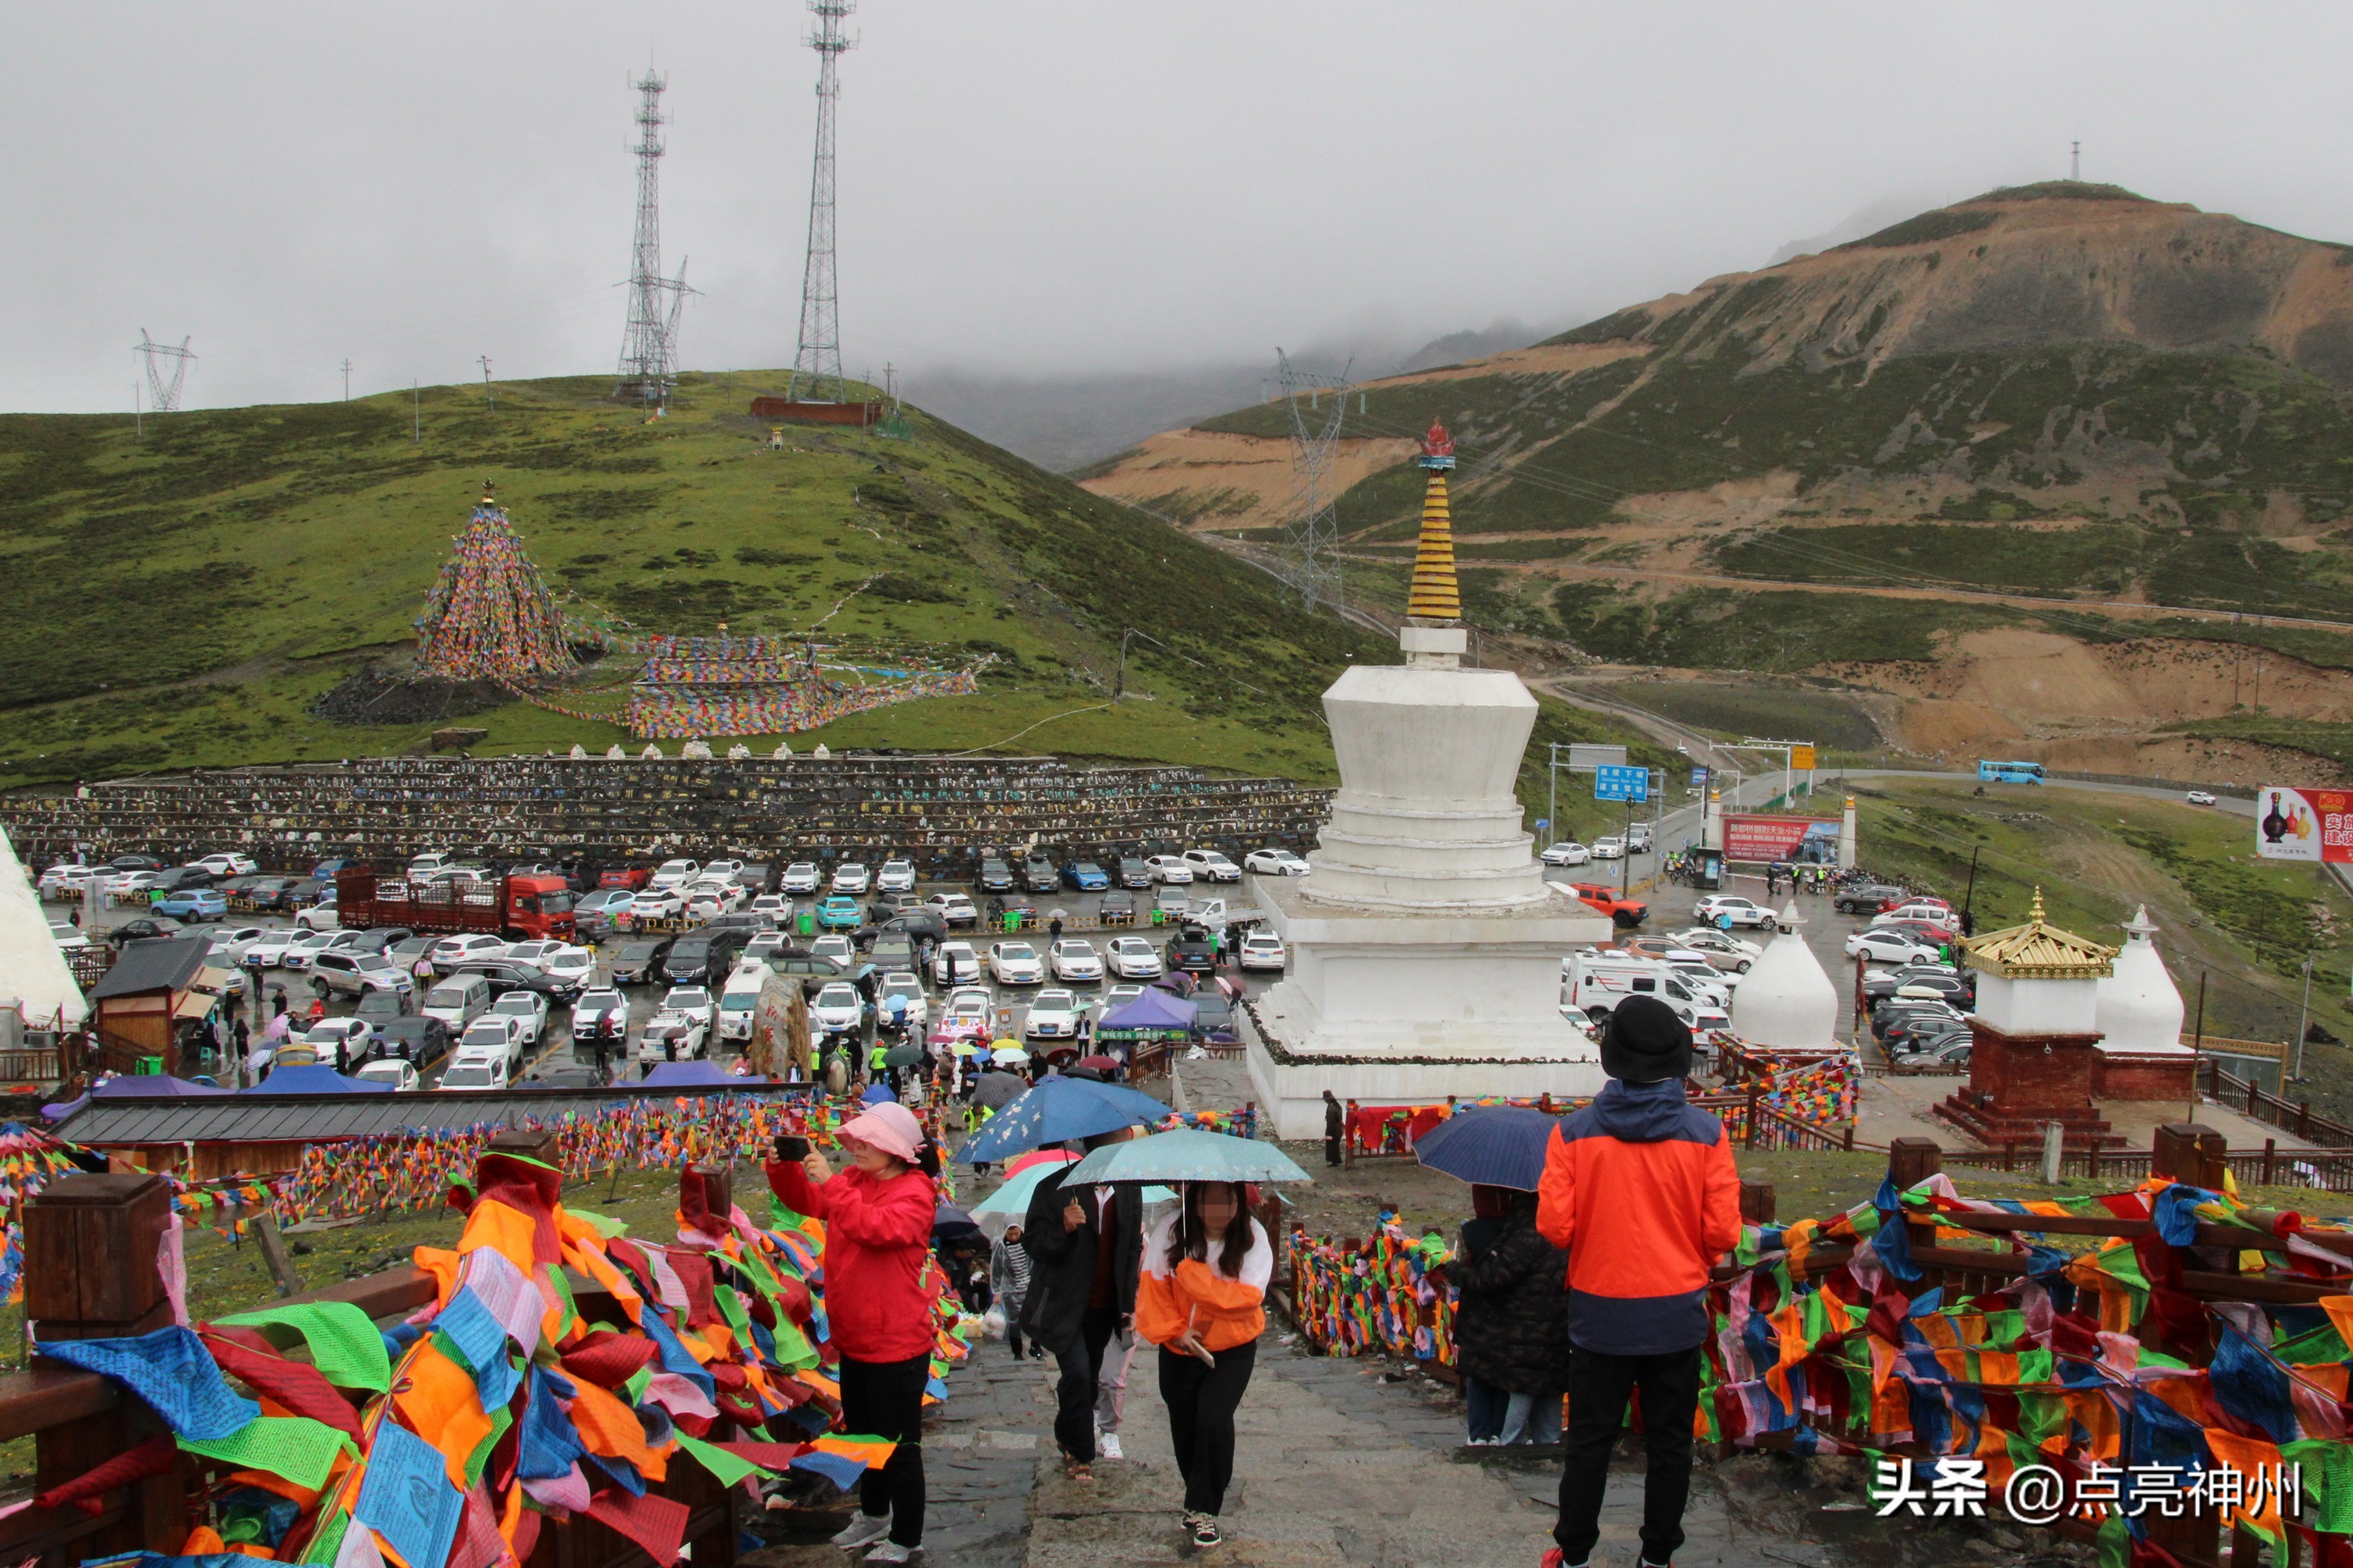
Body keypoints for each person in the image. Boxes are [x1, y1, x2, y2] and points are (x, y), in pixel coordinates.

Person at [1537, 996, 1742, 1568]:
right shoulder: (1706, 1134)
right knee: (1670, 1440)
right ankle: (1656, 1556)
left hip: (1598, 1312)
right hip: (1674, 1310)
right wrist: (1683, 1254)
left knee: (1590, 1440)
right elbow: (1723, 1230)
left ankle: (1573, 1553)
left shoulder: (1572, 1134)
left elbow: (1555, 1227)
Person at [765, 1102, 936, 1563]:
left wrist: (834, 1185)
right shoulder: (857, 1183)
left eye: (867, 1142)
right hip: (855, 1338)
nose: (855, 1148)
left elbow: (875, 1228)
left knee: (899, 1446)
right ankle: (875, 1513)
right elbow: (808, 1201)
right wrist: (784, 1171)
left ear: (894, 1151)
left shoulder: (916, 1192)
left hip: (897, 1344)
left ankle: (907, 1535)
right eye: (856, 1140)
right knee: (863, 1438)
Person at [1134, 1180, 1271, 1549]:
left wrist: (1193, 1276)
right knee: (1186, 1425)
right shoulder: (1171, 1229)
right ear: (1194, 1201)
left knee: (1213, 1419)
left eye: (1226, 1201)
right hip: (1181, 1347)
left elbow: (1244, 1299)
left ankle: (1205, 1510)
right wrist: (1175, 1331)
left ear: (1237, 1202)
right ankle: (1197, 1499)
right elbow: (1153, 1288)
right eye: (1208, 1200)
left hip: (1232, 1348)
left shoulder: (1253, 1236)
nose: (1217, 1210)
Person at [1020, 1130, 1146, 1481]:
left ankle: (1066, 1433)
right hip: (1063, 1303)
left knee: (1086, 1379)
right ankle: (1081, 1453)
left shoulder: (1128, 1190)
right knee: (1076, 1372)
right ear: (1100, 1143)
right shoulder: (1056, 1188)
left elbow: (1130, 1248)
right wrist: (1064, 1227)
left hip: (1102, 1305)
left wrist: (1129, 1300)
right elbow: (1034, 1244)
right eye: (1122, 1137)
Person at [1451, 1188, 1570, 1446]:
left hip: (1524, 1343)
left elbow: (1492, 1279)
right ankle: (1547, 1453)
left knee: (1515, 1421)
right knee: (1549, 1421)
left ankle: (1505, 1457)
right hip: (1558, 1338)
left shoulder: (1523, 1240)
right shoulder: (1566, 1237)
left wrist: (1455, 1272)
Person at [990, 1221, 1038, 1360]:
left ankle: (1036, 1346)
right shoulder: (1001, 1245)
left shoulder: (1028, 1240)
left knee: (1035, 1319)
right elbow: (996, 1269)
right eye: (1010, 1234)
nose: (1014, 1237)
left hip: (1029, 1285)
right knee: (1014, 1322)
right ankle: (1017, 1352)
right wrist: (996, 1291)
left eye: (1016, 1234)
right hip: (1010, 1290)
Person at [1322, 1090, 1345, 1167]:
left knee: (1332, 1145)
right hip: (1339, 1128)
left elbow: (1330, 1123)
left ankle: (1334, 1161)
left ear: (1326, 1099)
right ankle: (1337, 1159)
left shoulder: (1331, 1109)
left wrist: (1328, 1133)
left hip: (1334, 1129)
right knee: (1336, 1144)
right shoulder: (1337, 1106)